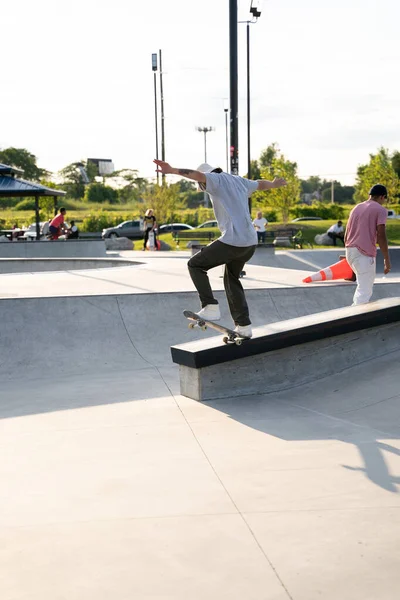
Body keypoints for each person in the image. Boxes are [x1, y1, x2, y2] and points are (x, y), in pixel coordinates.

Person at [153, 159, 286, 338]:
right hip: (250, 243)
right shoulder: (238, 180)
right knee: (231, 278)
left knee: (195, 265)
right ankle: (243, 325)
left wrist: (172, 170)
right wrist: (274, 184)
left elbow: (197, 175)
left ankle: (210, 306)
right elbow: (260, 184)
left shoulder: (213, 180)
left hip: (234, 240)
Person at [345, 184, 391, 305]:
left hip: (350, 251)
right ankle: (353, 319)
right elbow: (381, 235)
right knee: (364, 291)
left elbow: (347, 232)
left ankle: (353, 314)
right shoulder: (380, 210)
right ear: (382, 197)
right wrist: (386, 259)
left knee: (362, 287)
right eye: (384, 199)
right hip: (364, 254)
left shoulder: (356, 208)